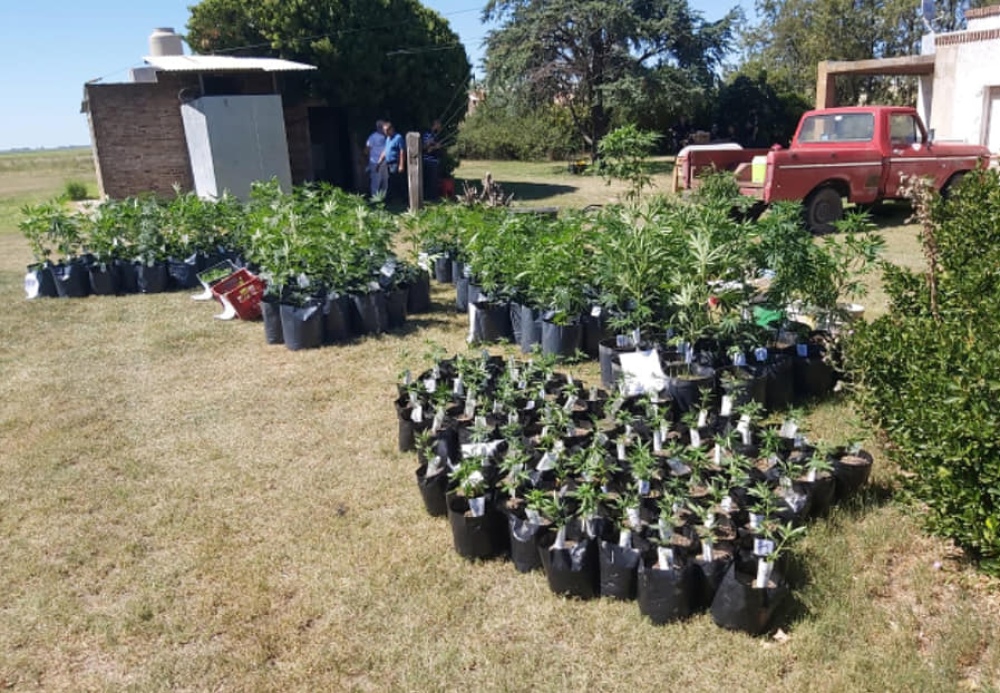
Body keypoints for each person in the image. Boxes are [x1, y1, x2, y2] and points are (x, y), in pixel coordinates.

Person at [363, 120, 388, 199]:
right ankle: (375, 200)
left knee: (385, 182)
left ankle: (383, 199)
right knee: (376, 182)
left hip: (384, 163)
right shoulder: (373, 137)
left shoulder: (387, 137)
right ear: (379, 128)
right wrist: (368, 161)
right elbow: (366, 150)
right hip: (375, 162)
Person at [383, 121, 406, 202]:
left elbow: (402, 151)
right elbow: (385, 150)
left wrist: (401, 165)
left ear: (391, 129)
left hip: (395, 163)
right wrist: (379, 162)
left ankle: (389, 199)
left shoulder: (398, 137)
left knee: (393, 180)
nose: (385, 132)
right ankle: (400, 197)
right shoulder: (388, 139)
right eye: (384, 131)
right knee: (395, 181)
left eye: (387, 130)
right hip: (389, 163)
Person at [422, 119, 443, 201]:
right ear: (435, 125)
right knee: (430, 180)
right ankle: (429, 197)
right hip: (429, 161)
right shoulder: (428, 134)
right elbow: (425, 148)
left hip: (435, 161)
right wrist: (435, 147)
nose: (440, 126)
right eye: (439, 124)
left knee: (434, 180)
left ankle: (433, 197)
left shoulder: (435, 135)